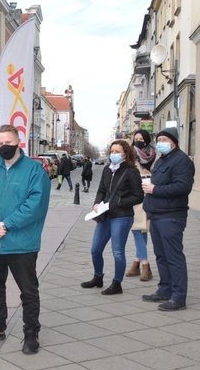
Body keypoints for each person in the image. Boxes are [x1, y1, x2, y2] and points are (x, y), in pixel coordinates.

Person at [0, 125, 50, 354]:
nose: (4, 147)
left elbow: (35, 205)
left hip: (21, 244)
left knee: (28, 290)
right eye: (0, 143)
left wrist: (7, 224)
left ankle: (31, 333)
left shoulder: (34, 171)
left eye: (8, 142)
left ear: (18, 142)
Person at [141, 127, 195, 311]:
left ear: (173, 142)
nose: (161, 142)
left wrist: (154, 189)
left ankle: (179, 297)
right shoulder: (163, 160)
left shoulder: (182, 161)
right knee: (161, 256)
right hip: (157, 215)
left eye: (164, 139)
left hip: (171, 216)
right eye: (159, 139)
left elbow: (182, 187)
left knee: (174, 257)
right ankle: (165, 290)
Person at [80, 141, 144, 295]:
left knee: (118, 252)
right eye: (112, 151)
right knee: (95, 249)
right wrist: (96, 203)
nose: (113, 153)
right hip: (105, 215)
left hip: (122, 216)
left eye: (117, 151)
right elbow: (102, 190)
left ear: (125, 153)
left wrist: (120, 202)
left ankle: (117, 283)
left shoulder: (131, 171)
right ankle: (98, 277)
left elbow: (138, 196)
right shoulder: (107, 170)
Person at [126, 129, 156, 281]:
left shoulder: (154, 154)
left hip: (151, 197)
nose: (138, 141)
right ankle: (145, 266)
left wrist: (149, 176)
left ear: (146, 140)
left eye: (141, 138)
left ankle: (137, 264)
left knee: (143, 231)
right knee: (138, 230)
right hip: (135, 198)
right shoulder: (131, 156)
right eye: (135, 138)